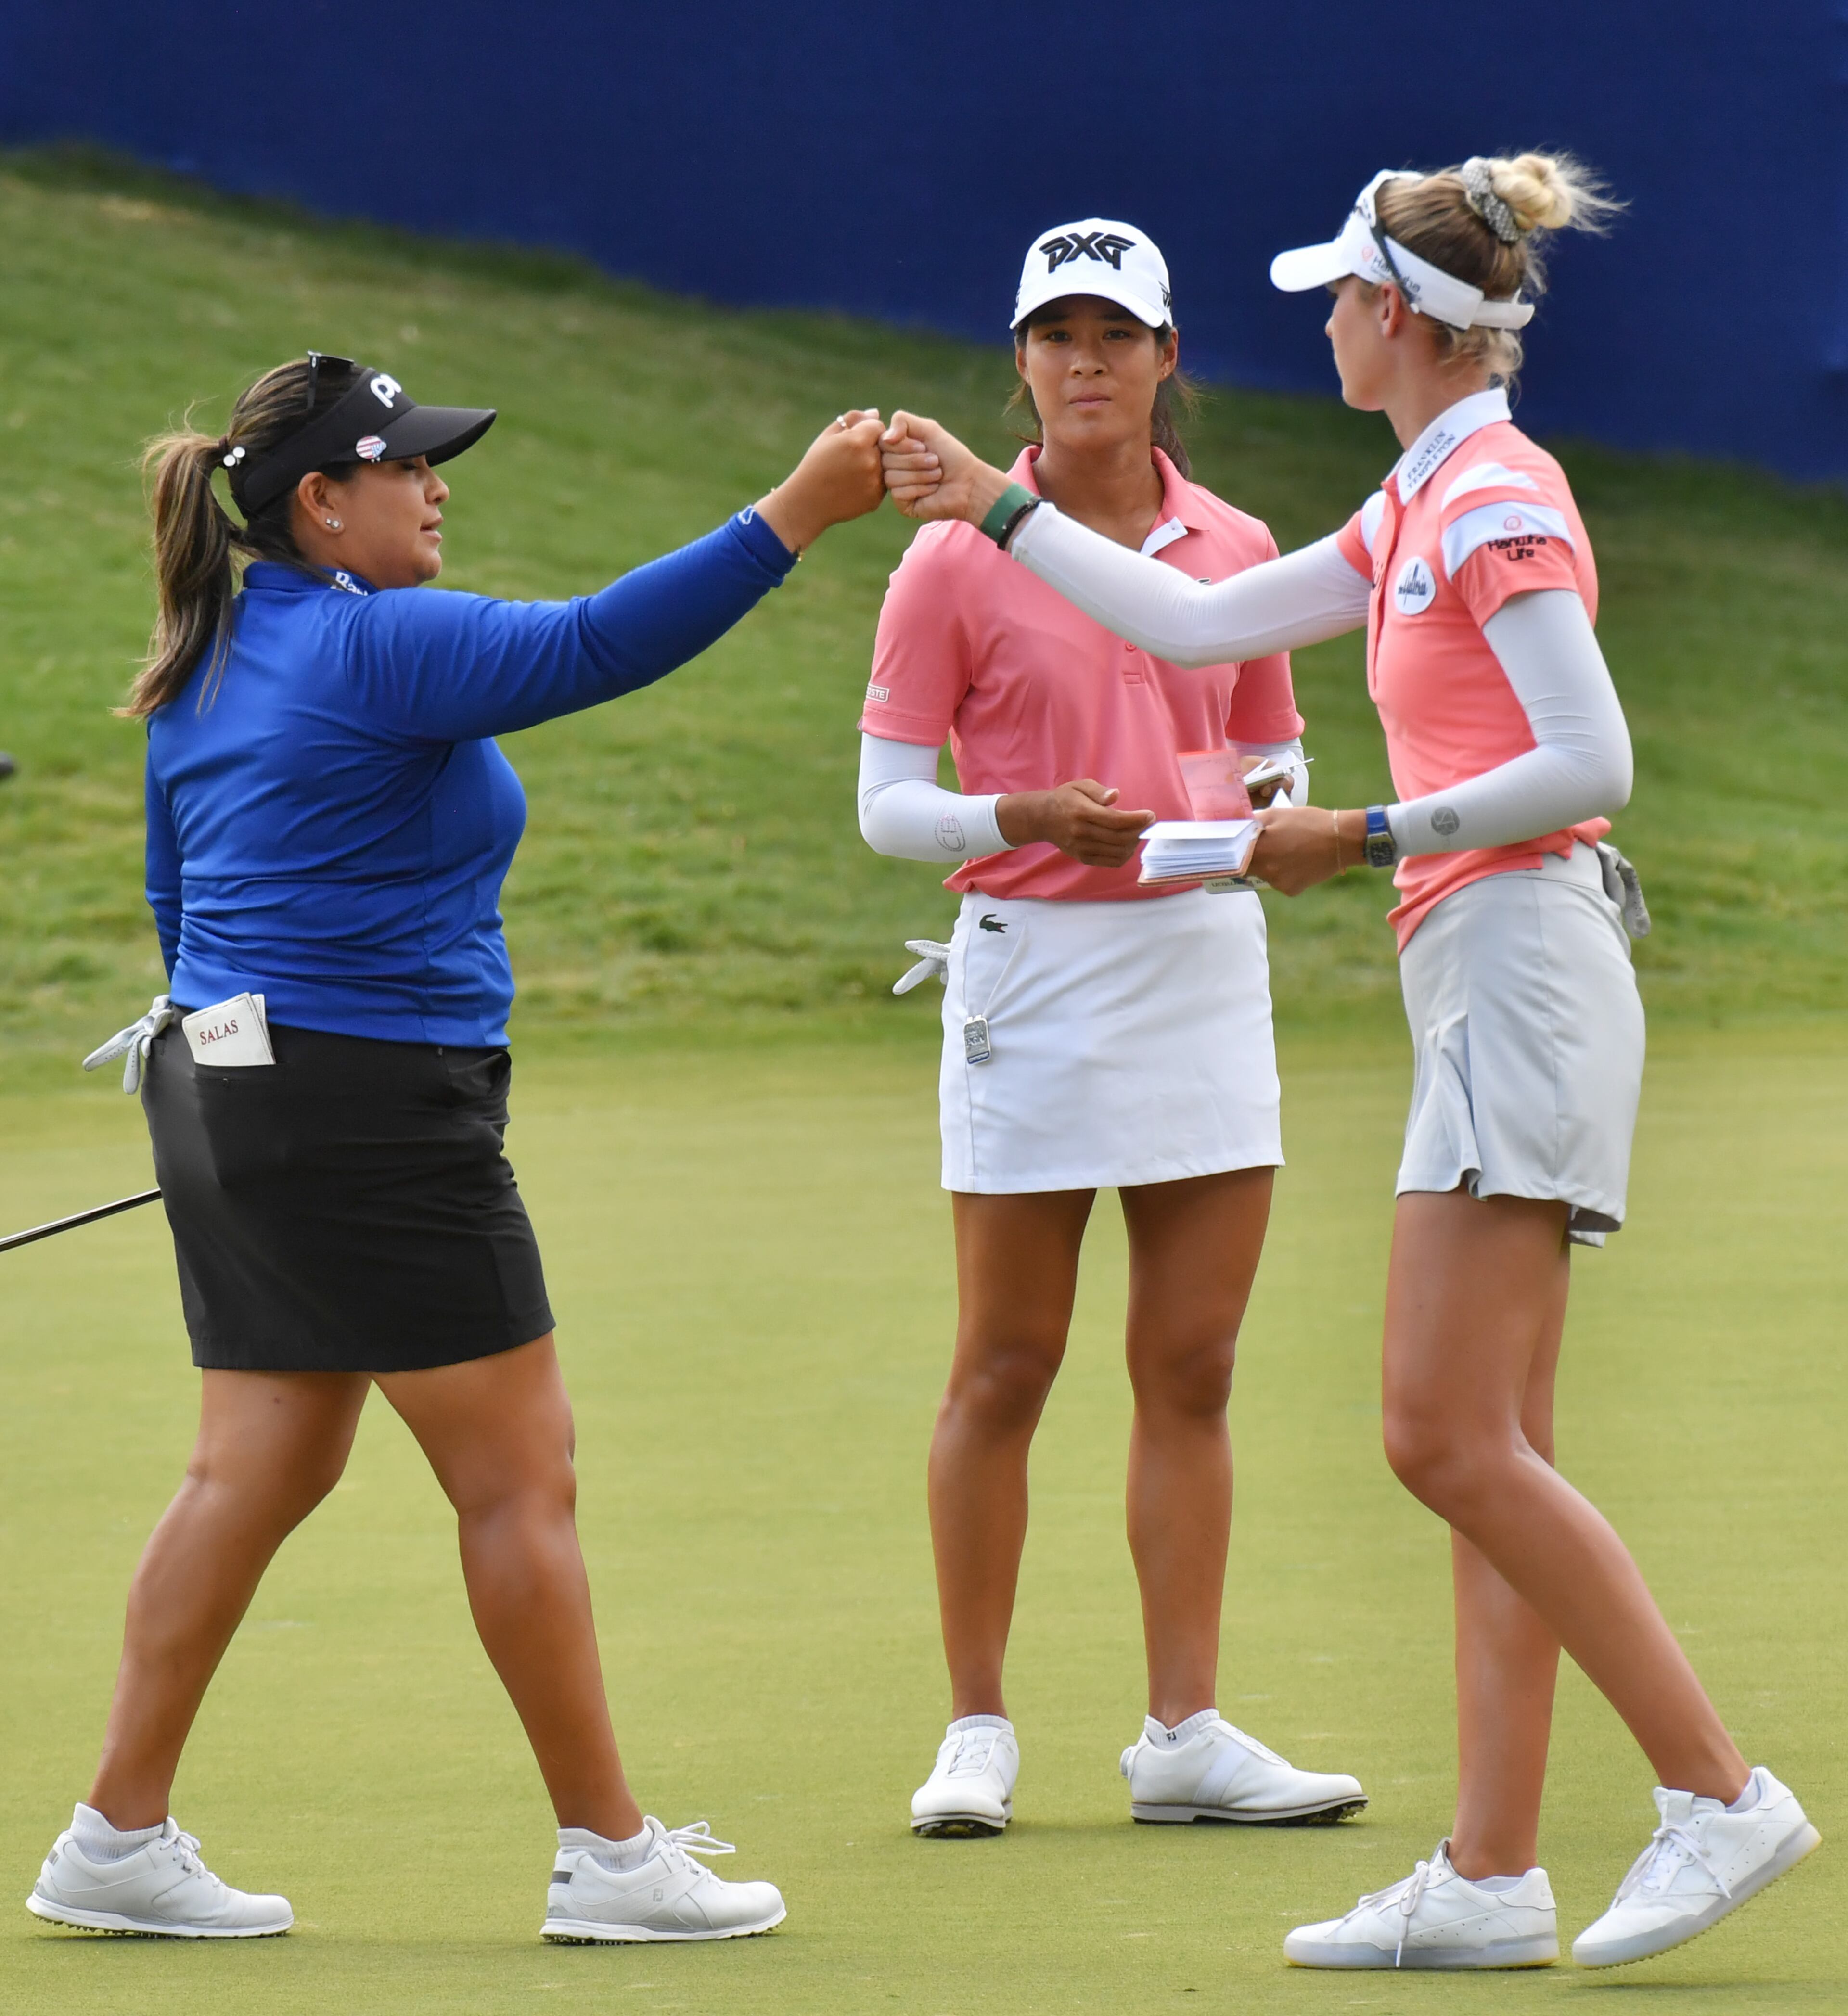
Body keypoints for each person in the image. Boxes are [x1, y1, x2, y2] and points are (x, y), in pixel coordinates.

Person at [878, 156, 1817, 1967]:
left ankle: (1714, 1792)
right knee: (1496, 1443)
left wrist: (1373, 828)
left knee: (1439, 1431)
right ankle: (1488, 1875)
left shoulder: (1494, 497)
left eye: (1339, 296)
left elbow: (1587, 753)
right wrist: (994, 508)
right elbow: (1200, 621)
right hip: (1482, 966)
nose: (1319, 320)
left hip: (1523, 953)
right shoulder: (1419, 493)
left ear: (1401, 319)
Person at [26, 354, 885, 1944]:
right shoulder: (370, 643)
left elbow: (176, 898)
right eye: (403, 466)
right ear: (319, 506)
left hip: (235, 1085)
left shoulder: (210, 659)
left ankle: (115, 1836)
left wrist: (255, 1117)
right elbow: (590, 645)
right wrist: (796, 516)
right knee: (519, 1472)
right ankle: (611, 1857)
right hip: (361, 1101)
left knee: (259, 1463)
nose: (435, 487)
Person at [860, 219, 1366, 1840]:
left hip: (1203, 965)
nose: (1087, 363)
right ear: (1022, 361)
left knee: (1195, 1365)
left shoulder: (1240, 546)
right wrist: (1018, 811)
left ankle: (1186, 1732)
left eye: (1116, 336)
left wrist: (1271, 826)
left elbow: (1272, 751)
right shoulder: (951, 553)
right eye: (1056, 335)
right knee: (1005, 1364)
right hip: (1032, 973)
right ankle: (978, 1730)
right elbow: (887, 809)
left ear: (1166, 361)